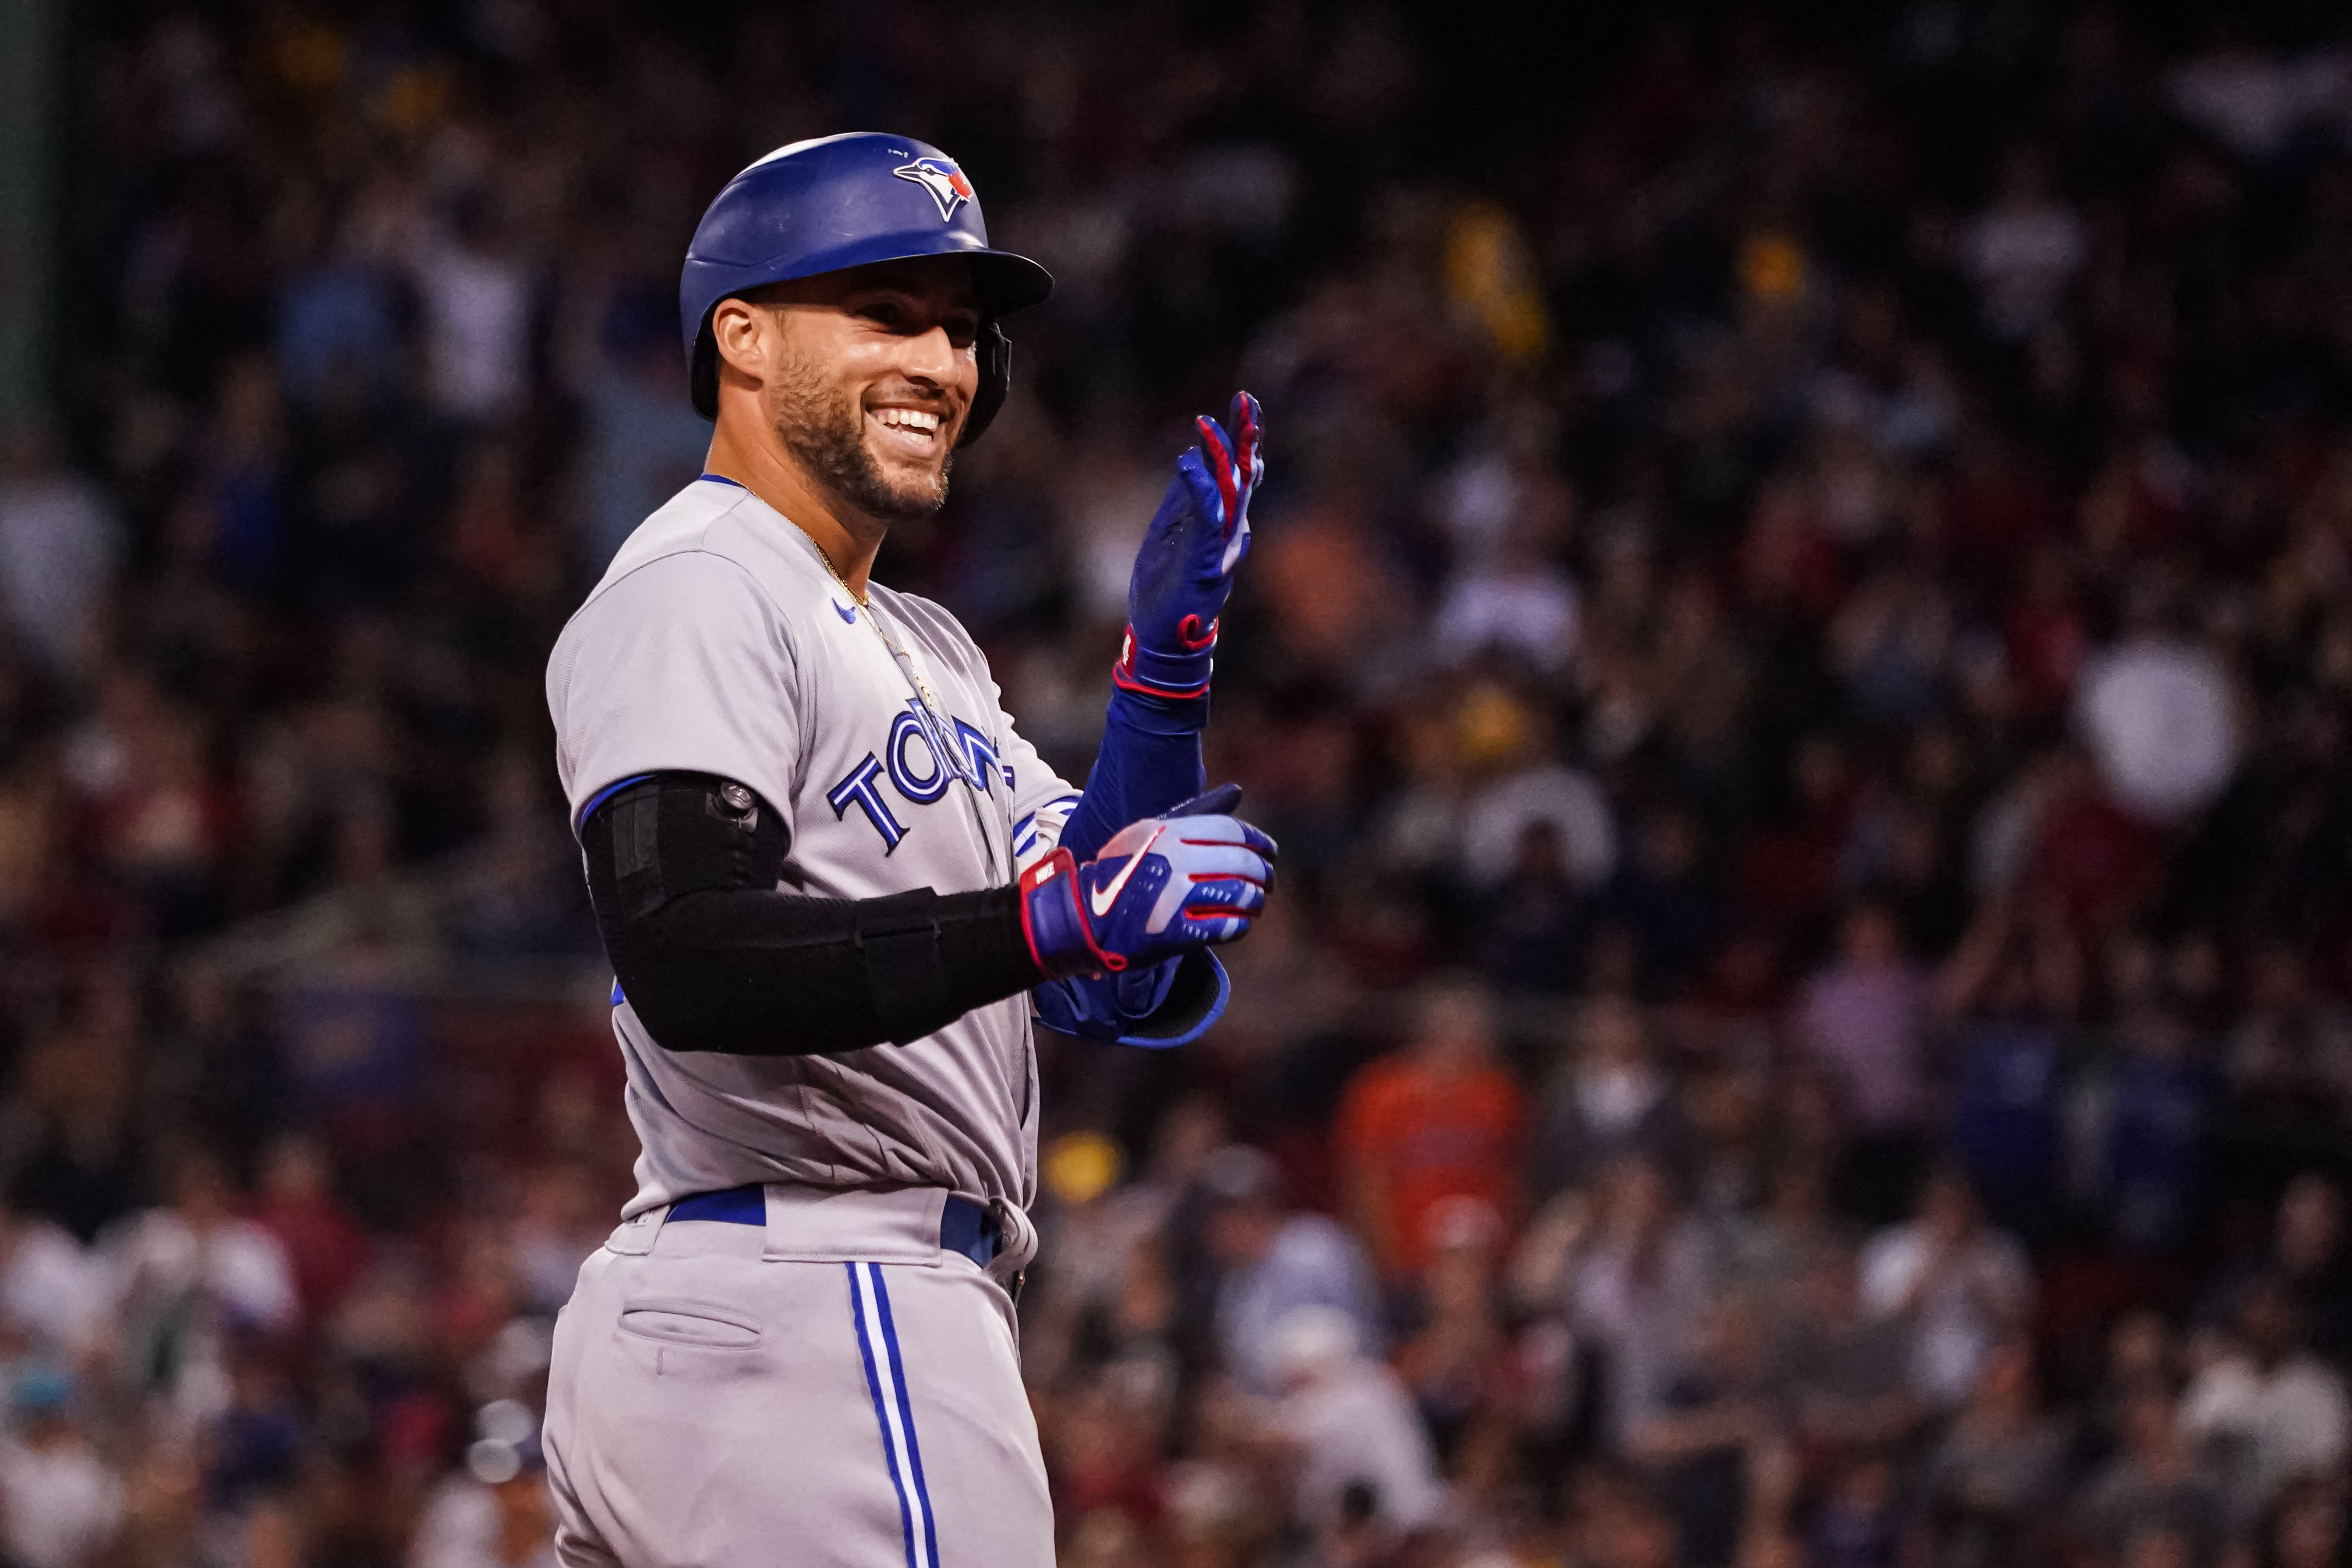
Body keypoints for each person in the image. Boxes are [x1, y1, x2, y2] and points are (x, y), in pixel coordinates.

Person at [540, 134, 1280, 1566]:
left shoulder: (922, 644)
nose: (944, 363)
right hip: (826, 1303)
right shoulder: (706, 579)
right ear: (740, 340)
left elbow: (1106, 962)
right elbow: (688, 949)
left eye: (962, 331)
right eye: (888, 312)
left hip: (763, 1324)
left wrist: (1165, 676)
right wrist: (1056, 923)